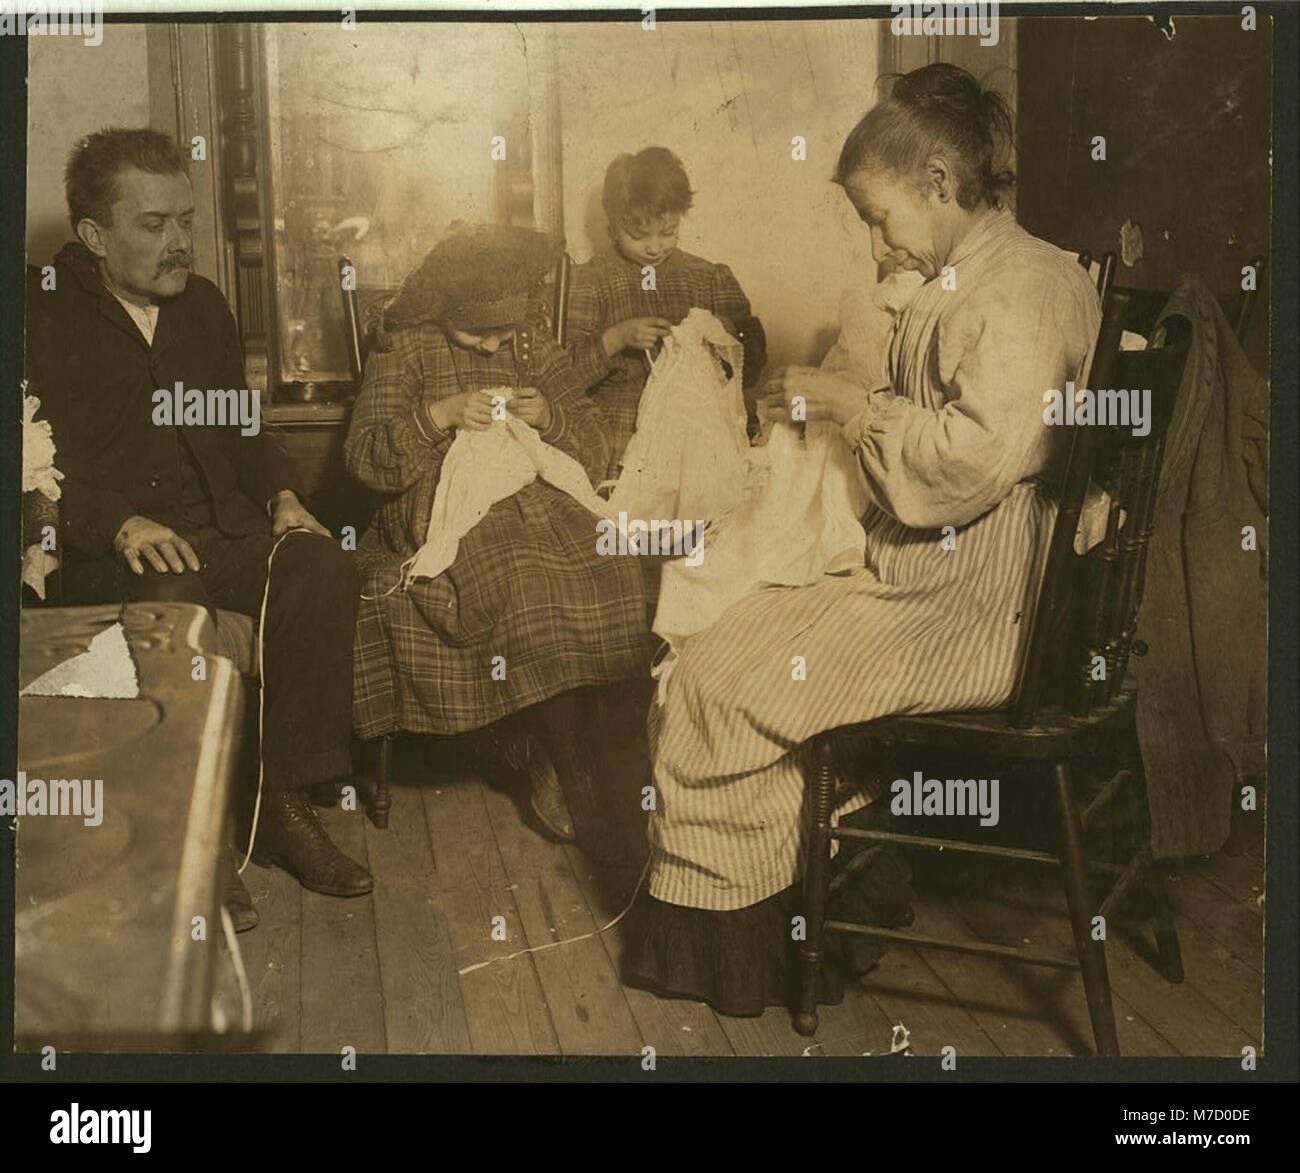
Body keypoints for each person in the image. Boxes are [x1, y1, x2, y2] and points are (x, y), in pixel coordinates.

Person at [622, 65, 1102, 1015]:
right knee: (726, 632)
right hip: (938, 578)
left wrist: (850, 403)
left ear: (937, 182)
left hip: (975, 610)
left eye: (882, 217)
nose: (879, 241)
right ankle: (829, 885)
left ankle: (754, 944)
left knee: (716, 673)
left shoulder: (1025, 289)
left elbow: (970, 463)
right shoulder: (989, 273)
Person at [26, 129, 371, 931]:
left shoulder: (206, 305)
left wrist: (284, 493)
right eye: (153, 225)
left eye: (184, 218)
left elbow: (243, 427)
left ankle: (279, 802)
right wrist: (112, 521)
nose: (179, 241)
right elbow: (23, 454)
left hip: (219, 530)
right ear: (93, 236)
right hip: (108, 552)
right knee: (173, 595)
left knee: (320, 569)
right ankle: (193, 836)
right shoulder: (39, 310)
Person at [345, 224, 654, 856]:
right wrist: (440, 415)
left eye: (504, 334)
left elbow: (592, 444)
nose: (493, 346)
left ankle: (560, 753)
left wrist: (552, 417)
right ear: (444, 310)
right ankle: (568, 772)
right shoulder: (403, 347)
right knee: (524, 572)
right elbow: (366, 459)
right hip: (439, 503)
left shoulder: (529, 340)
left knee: (609, 561)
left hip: (532, 491)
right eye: (478, 333)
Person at [549, 146, 768, 480]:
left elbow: (751, 367)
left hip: (702, 433)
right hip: (622, 440)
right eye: (638, 235)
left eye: (667, 232)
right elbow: (560, 379)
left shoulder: (708, 277)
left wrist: (722, 330)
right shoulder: (589, 282)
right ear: (611, 225)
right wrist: (616, 338)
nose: (654, 247)